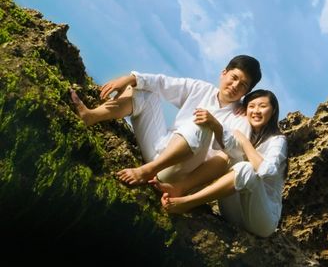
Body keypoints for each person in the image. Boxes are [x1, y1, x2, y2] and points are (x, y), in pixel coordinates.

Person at [70, 55, 262, 187]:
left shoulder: (241, 118)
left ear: (246, 92)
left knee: (201, 124)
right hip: (158, 147)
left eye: (243, 85)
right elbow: (163, 84)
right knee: (143, 91)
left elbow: (236, 154)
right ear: (224, 73)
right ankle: (91, 116)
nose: (235, 85)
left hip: (177, 172)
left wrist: (215, 126)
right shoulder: (201, 88)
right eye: (234, 77)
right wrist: (130, 78)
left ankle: (146, 171)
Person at [152, 89, 287, 238]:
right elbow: (227, 144)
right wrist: (215, 125)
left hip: (262, 221)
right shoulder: (245, 130)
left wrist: (244, 142)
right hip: (233, 214)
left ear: (273, 110)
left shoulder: (278, 140)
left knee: (246, 168)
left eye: (262, 106)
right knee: (229, 154)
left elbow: (266, 170)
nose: (256, 110)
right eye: (251, 106)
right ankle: (181, 187)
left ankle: (188, 202)